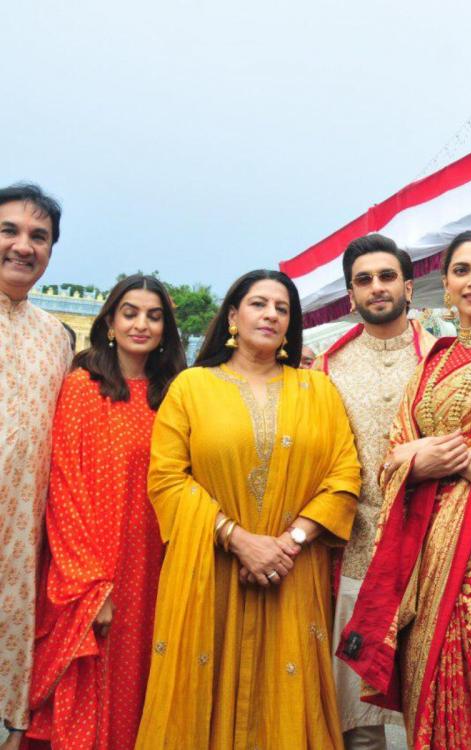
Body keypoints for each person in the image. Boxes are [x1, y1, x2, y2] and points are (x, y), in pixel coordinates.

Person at [337, 229, 471, 749]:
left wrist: (450, 458)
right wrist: (415, 460)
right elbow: (395, 453)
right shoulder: (433, 360)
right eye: (462, 271)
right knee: (424, 687)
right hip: (423, 553)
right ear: (444, 285)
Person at [135, 270, 361, 750]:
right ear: (234, 316)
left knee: (286, 697)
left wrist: (288, 543)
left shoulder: (318, 390)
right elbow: (168, 478)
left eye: (282, 308)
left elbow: (344, 476)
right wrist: (237, 539)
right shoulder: (191, 387)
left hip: (292, 572)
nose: (272, 315)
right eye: (259, 304)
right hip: (210, 570)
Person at [24, 275, 186, 750]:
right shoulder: (82, 386)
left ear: (166, 328)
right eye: (130, 313)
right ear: (111, 322)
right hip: (96, 570)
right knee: (92, 684)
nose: (142, 324)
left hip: (155, 568)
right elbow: (64, 488)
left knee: (143, 683)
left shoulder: (173, 395)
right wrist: (92, 588)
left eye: (154, 316)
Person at [315, 233, 434, 749]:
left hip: (429, 550)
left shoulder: (441, 357)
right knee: (357, 711)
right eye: (364, 280)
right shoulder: (326, 366)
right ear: (350, 294)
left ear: (408, 286)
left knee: (420, 698)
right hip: (355, 549)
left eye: (387, 277)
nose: (376, 288)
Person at [0, 184, 72, 750]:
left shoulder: (56, 338)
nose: (24, 246)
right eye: (10, 231)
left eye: (39, 237)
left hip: (22, 549)